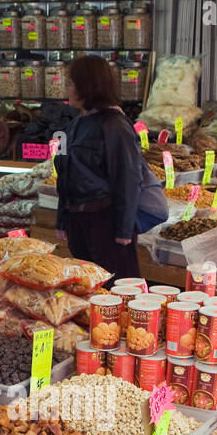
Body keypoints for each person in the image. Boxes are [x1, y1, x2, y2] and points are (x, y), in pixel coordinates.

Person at [55, 55, 166, 279]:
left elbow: (127, 179)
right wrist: (62, 219)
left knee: (118, 288)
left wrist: (124, 229)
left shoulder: (115, 125)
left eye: (71, 83)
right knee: (86, 286)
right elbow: (64, 174)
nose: (67, 89)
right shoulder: (74, 124)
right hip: (79, 221)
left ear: (88, 86)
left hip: (107, 222)